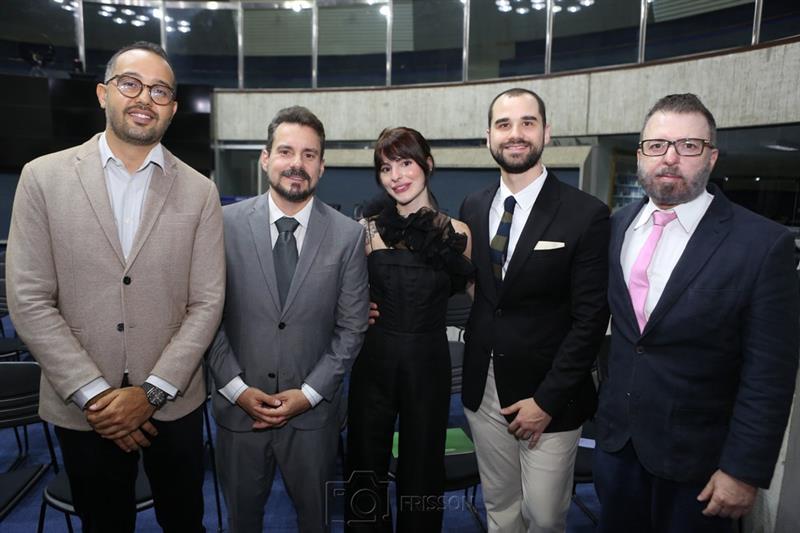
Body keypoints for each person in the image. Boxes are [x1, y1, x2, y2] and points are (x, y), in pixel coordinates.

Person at [6, 41, 225, 532]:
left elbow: (208, 302)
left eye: (160, 91)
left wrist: (151, 393)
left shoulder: (200, 191)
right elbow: (28, 299)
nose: (145, 98)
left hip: (174, 401)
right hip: (82, 407)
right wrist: (96, 397)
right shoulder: (42, 178)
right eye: (131, 84)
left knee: (185, 521)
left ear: (172, 108)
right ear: (104, 93)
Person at [595, 93, 800, 532]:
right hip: (618, 449)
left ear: (712, 157)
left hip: (702, 468)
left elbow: (770, 374)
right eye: (657, 145)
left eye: (688, 145)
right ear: (640, 155)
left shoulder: (763, 244)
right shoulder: (615, 227)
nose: (670, 157)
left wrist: (743, 470)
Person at [206, 105, 370, 533]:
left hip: (314, 419)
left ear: (322, 166)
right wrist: (238, 389)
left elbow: (352, 328)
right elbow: (205, 317)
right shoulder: (222, 225)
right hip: (239, 413)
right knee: (242, 523)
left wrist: (309, 394)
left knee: (316, 522)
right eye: (285, 151)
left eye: (309, 154)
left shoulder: (348, 236)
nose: (297, 164)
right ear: (265, 158)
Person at [458, 88, 610, 532]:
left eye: (528, 122)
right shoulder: (473, 206)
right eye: (504, 124)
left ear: (547, 132)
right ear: (488, 136)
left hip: (551, 394)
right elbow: (479, 291)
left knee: (543, 517)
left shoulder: (586, 214)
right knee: (501, 508)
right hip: (484, 387)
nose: (516, 134)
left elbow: (590, 320)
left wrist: (546, 401)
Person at [345, 127, 474, 531]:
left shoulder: (459, 233)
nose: (396, 176)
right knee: (365, 465)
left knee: (423, 467)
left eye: (405, 163)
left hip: (428, 366)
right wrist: (356, 311)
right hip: (373, 363)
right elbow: (340, 294)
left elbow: (479, 301)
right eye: (386, 168)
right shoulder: (365, 230)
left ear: (427, 165)